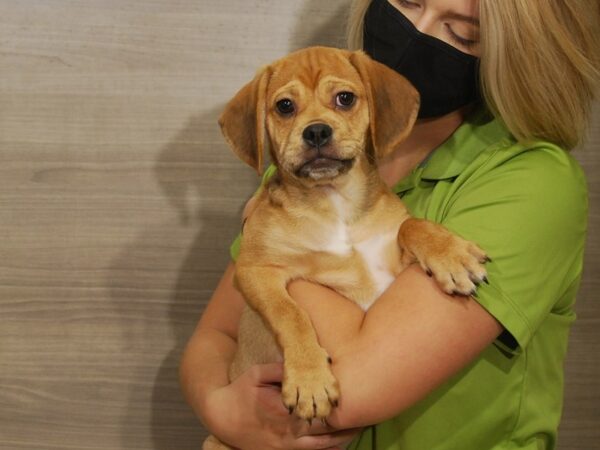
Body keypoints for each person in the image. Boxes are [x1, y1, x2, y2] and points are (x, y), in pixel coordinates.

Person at [180, 0, 600, 449]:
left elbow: (355, 391)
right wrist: (222, 412)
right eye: (408, 2)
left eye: (462, 33)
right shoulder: (305, 168)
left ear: (511, 53)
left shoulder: (532, 184)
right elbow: (216, 335)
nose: (414, 33)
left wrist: (271, 246)